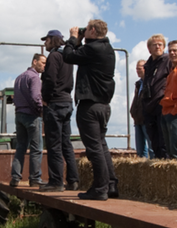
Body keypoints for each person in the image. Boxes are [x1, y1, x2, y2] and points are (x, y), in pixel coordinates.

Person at [62, 19, 118, 201]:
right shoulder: (107, 49)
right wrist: (81, 40)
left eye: (87, 30)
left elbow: (68, 56)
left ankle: (100, 188)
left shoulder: (93, 49)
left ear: (93, 30)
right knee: (101, 145)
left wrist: (72, 39)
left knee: (94, 148)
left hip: (90, 105)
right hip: (104, 106)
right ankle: (111, 185)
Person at [39, 30, 79, 192]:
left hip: (55, 103)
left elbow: (49, 79)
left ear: (52, 40)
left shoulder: (54, 57)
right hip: (67, 102)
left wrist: (45, 98)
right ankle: (73, 179)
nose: (44, 43)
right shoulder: (68, 56)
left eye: (46, 40)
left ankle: (56, 182)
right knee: (66, 144)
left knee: (54, 145)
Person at [10, 53, 46, 186]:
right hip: (31, 116)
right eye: (42, 62)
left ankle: (15, 177)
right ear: (34, 61)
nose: (44, 66)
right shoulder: (35, 77)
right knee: (36, 148)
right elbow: (36, 97)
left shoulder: (19, 77)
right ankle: (35, 178)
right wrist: (41, 111)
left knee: (20, 147)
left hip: (19, 115)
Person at [142, 34, 171, 159]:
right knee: (154, 140)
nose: (158, 47)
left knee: (163, 139)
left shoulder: (168, 60)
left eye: (160, 44)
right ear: (149, 48)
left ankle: (164, 164)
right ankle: (158, 162)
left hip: (161, 103)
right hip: (149, 105)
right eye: (155, 45)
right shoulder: (148, 65)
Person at [129, 60, 151, 159]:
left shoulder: (150, 82)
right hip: (138, 119)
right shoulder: (138, 84)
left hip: (147, 118)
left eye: (140, 68)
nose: (138, 70)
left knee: (151, 147)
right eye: (137, 68)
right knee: (140, 149)